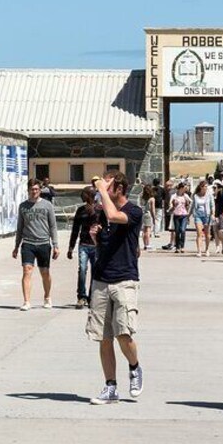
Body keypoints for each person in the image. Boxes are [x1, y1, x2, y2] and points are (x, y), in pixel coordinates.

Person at [86, 171, 144, 404]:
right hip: (101, 279)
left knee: (123, 333)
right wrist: (95, 239)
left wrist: (101, 189)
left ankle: (135, 366)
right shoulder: (101, 215)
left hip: (124, 280)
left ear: (119, 189)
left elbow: (113, 214)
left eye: (109, 186)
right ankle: (111, 387)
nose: (103, 190)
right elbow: (105, 243)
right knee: (104, 337)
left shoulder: (133, 212)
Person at [12, 178, 60, 310]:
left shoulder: (47, 205)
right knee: (27, 270)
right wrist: (16, 246)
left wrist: (56, 245)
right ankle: (27, 301)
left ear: (40, 190)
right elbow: (20, 227)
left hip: (44, 243)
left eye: (36, 189)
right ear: (28, 190)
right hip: (28, 243)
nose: (34, 191)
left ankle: (47, 297)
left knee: (45, 272)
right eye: (32, 189)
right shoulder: (23, 206)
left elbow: (53, 226)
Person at [68, 188, 100, 309]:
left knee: (95, 272)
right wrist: (71, 247)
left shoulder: (99, 209)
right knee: (82, 269)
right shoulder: (81, 210)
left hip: (96, 245)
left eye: (84, 194)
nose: (82, 196)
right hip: (83, 245)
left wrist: (93, 213)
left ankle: (92, 297)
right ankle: (81, 296)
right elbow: (75, 229)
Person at [192, 180, 215, 257]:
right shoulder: (195, 196)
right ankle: (199, 251)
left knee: (207, 234)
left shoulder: (209, 195)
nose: (205, 188)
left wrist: (213, 214)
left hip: (207, 215)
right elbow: (193, 206)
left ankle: (207, 249)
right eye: (204, 186)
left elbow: (212, 205)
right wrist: (189, 215)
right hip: (198, 215)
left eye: (206, 187)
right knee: (199, 233)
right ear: (201, 187)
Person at [169, 182, 192, 253]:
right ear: (181, 188)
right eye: (185, 188)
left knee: (182, 230)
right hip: (176, 215)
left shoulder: (185, 196)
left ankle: (182, 246)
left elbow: (191, 202)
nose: (185, 190)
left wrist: (188, 207)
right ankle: (177, 246)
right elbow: (170, 204)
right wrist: (172, 206)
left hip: (184, 215)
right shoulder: (174, 196)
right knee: (177, 231)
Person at [161, 179, 176, 250]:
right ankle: (172, 242)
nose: (167, 187)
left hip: (173, 212)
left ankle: (173, 243)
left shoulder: (172, 193)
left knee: (173, 229)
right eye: (166, 186)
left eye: (168, 186)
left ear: (171, 185)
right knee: (172, 229)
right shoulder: (168, 192)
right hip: (169, 212)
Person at [141, 185, 156, 250]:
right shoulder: (152, 199)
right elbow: (152, 209)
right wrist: (154, 217)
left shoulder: (142, 197)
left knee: (144, 230)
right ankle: (148, 244)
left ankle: (145, 244)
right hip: (148, 214)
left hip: (143, 214)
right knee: (148, 230)